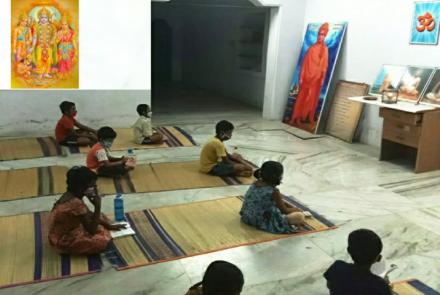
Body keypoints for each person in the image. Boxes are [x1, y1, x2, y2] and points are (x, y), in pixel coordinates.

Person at [48, 166, 126, 255]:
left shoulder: (71, 195)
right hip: (63, 240)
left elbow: (88, 214)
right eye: (92, 185)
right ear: (82, 187)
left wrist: (109, 225)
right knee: (101, 241)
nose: (95, 188)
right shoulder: (76, 203)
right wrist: (97, 206)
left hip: (58, 233)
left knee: (99, 218)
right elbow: (91, 230)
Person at [240, 161, 307, 234]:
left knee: (277, 207)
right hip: (260, 221)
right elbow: (285, 211)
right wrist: (297, 210)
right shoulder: (274, 191)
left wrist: (291, 208)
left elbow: (278, 202)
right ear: (278, 176)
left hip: (247, 217)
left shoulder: (255, 183)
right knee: (299, 216)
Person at [324, 229, 392, 295]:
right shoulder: (380, 286)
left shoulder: (337, 268)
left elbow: (329, 285)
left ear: (349, 250)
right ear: (378, 258)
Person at [289, 23, 329, 125]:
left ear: (326, 36)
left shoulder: (325, 50)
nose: (321, 36)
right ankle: (295, 117)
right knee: (301, 98)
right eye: (320, 34)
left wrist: (322, 78)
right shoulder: (311, 49)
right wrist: (301, 77)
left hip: (317, 80)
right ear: (317, 35)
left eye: (323, 35)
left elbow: (324, 66)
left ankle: (307, 117)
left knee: (312, 100)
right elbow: (304, 64)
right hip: (307, 78)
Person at [29, 7, 56, 79]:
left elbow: (54, 34)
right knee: (39, 59)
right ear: (39, 18)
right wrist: (32, 46)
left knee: (48, 59)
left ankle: (46, 72)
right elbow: (34, 36)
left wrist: (52, 40)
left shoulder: (52, 26)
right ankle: (40, 73)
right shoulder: (36, 26)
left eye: (45, 17)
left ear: (48, 18)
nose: (44, 19)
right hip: (39, 46)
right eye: (42, 17)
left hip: (48, 46)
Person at [56, 15, 77, 79]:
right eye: (62, 24)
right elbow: (56, 41)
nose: (64, 26)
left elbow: (73, 41)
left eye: (65, 24)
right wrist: (58, 38)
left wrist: (76, 50)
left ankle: (67, 73)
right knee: (61, 61)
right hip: (61, 48)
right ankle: (62, 74)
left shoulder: (71, 32)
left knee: (68, 61)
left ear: (68, 25)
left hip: (69, 48)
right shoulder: (59, 32)